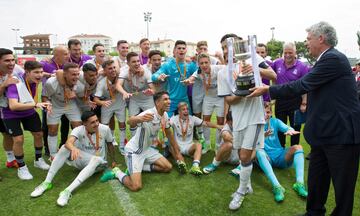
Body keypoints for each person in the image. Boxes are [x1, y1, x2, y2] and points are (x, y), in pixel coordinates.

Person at [248, 21, 360, 216]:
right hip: (323, 134)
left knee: (343, 187)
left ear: (321, 38)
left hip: (341, 135)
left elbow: (301, 85)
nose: (306, 43)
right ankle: (314, 212)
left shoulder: (333, 58)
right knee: (317, 178)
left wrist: (268, 90)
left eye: (308, 39)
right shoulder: (325, 60)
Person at [217, 33, 276, 211]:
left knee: (244, 156)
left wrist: (254, 69)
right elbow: (228, 100)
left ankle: (241, 192)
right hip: (238, 119)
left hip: (255, 116)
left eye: (231, 46)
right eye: (224, 47)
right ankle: (247, 184)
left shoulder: (253, 57)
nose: (228, 50)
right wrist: (241, 92)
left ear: (240, 46)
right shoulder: (222, 72)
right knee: (244, 155)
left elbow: (273, 75)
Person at [101, 91, 187, 191]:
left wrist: (178, 154)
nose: (169, 101)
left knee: (167, 167)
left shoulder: (165, 115)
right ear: (157, 102)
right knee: (136, 186)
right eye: (165, 99)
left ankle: (136, 168)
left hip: (147, 149)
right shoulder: (149, 113)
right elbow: (130, 121)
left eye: (169, 99)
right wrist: (139, 119)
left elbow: (169, 134)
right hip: (134, 151)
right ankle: (117, 173)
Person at [30, 111, 115, 206]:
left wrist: (113, 160)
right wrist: (73, 148)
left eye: (97, 121)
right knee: (64, 148)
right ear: (84, 124)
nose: (96, 124)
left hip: (98, 164)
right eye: (92, 122)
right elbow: (68, 142)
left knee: (96, 159)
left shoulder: (105, 129)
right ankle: (46, 182)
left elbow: (110, 144)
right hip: (82, 159)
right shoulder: (78, 129)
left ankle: (67, 191)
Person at [2, 61, 51, 179]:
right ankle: (22, 167)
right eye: (36, 72)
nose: (39, 75)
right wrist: (35, 104)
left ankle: (38, 160)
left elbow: (45, 74)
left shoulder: (35, 79)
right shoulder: (16, 83)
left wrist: (51, 74)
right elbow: (13, 106)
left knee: (39, 134)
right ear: (27, 73)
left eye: (40, 72)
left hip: (28, 111)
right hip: (11, 114)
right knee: (18, 140)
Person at [256, 102, 307, 202]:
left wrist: (290, 130)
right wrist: (262, 136)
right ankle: (277, 187)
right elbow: (250, 144)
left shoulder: (275, 122)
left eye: (267, 112)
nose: (265, 115)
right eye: (262, 112)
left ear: (271, 113)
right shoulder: (254, 125)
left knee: (298, 147)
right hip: (266, 158)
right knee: (259, 152)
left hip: (280, 156)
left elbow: (287, 127)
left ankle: (299, 184)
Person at [183, 53, 225, 152]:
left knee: (220, 122)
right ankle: (207, 144)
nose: (204, 65)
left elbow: (229, 68)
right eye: (201, 63)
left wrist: (221, 57)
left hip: (220, 98)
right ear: (198, 64)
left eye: (206, 62)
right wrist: (188, 81)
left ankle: (218, 146)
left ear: (210, 62)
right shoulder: (198, 72)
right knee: (206, 121)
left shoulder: (218, 68)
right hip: (208, 98)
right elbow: (191, 79)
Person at [271, 42, 310, 147]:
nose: (287, 55)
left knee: (295, 128)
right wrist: (274, 92)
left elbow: (305, 87)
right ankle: (281, 150)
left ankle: (294, 150)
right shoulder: (277, 63)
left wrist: (304, 103)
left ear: (295, 52)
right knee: (279, 127)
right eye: (285, 53)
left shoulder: (302, 67)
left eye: (290, 52)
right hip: (281, 102)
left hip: (295, 102)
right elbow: (272, 76)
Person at [170, 102, 222, 176]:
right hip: (177, 147)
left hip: (189, 147)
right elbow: (167, 125)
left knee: (198, 145)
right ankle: (181, 164)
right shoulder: (174, 119)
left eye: (187, 109)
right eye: (183, 109)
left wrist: (218, 126)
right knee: (171, 145)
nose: (186, 111)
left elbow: (206, 123)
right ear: (179, 111)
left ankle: (195, 166)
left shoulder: (192, 118)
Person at [43, 62, 83, 159]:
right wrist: (48, 105)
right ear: (64, 74)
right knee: (52, 129)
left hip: (71, 105)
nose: (76, 77)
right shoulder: (51, 83)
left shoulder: (81, 81)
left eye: (77, 74)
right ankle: (53, 155)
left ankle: (76, 151)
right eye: (73, 74)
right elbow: (44, 96)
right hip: (55, 106)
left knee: (78, 127)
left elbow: (82, 97)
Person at [152, 40, 198, 117]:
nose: (181, 50)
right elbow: (153, 76)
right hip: (171, 99)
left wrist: (191, 79)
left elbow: (199, 74)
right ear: (174, 51)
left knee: (188, 122)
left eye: (183, 48)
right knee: (166, 123)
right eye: (179, 48)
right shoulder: (168, 65)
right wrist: (159, 77)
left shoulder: (190, 65)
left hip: (184, 98)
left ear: (186, 51)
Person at [116, 52, 155, 137]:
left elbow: (153, 88)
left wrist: (151, 91)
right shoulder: (125, 71)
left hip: (147, 99)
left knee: (152, 119)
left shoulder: (146, 72)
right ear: (128, 63)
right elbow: (118, 85)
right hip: (134, 99)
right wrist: (124, 92)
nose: (137, 64)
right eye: (134, 62)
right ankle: (134, 140)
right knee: (132, 121)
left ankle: (153, 140)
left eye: (138, 61)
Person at [41, 45, 70, 153]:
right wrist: (49, 75)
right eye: (65, 54)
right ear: (57, 55)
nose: (68, 56)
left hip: (63, 97)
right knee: (47, 124)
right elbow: (33, 70)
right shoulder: (45, 63)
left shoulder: (66, 65)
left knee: (65, 123)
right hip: (48, 96)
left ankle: (63, 145)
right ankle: (48, 149)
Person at [94, 60, 127, 154]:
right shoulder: (101, 83)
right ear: (104, 71)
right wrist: (102, 103)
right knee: (104, 126)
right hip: (107, 105)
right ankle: (106, 144)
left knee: (122, 124)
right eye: (110, 68)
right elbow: (96, 99)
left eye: (114, 67)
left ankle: (122, 146)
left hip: (120, 104)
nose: (113, 70)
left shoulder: (120, 78)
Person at [0, 48, 18, 173]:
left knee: (7, 134)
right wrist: (4, 84)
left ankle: (10, 159)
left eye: (13, 60)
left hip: (5, 110)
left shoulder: (16, 70)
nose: (11, 63)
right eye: (7, 60)